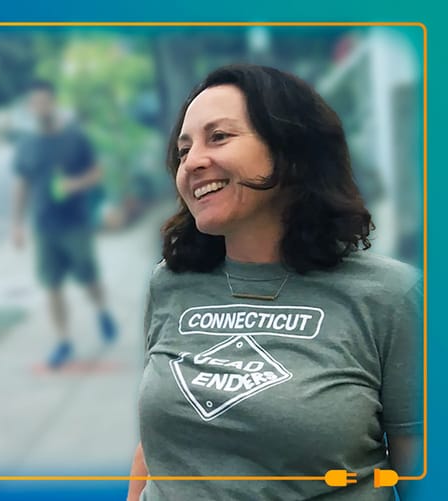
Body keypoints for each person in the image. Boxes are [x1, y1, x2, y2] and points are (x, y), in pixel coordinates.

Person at [127, 64, 423, 500]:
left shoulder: (390, 296)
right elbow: (157, 449)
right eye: (183, 149)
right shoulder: (171, 282)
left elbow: (421, 472)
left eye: (219, 137)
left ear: (292, 152)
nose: (192, 162)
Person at [11, 79, 117, 369]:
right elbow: (21, 184)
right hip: (44, 226)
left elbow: (96, 173)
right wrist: (17, 224)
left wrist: (74, 183)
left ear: (53, 102)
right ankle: (63, 341)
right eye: (35, 103)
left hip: (75, 223)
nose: (40, 107)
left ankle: (102, 310)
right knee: (52, 285)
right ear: (30, 107)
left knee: (89, 279)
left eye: (45, 101)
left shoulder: (74, 138)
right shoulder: (27, 145)